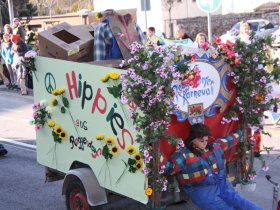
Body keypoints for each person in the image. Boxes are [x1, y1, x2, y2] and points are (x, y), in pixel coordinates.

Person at [163, 123, 262, 210]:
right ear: (193, 140)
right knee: (222, 208)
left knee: (240, 201)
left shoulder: (215, 146)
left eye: (206, 140)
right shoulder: (183, 155)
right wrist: (154, 153)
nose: (205, 143)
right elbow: (168, 168)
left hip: (222, 183)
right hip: (201, 189)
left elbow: (231, 139)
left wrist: (245, 129)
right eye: (201, 141)